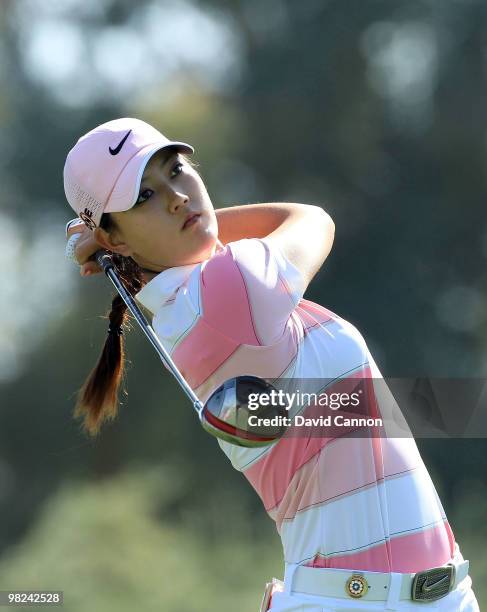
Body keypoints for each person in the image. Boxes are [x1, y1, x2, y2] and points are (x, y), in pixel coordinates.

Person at [63, 117, 479, 611]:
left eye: (175, 170)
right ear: (116, 239)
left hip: (435, 597)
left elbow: (361, 411)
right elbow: (313, 219)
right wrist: (119, 249)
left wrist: (123, 250)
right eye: (144, 197)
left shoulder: (196, 299)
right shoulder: (225, 292)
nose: (176, 195)